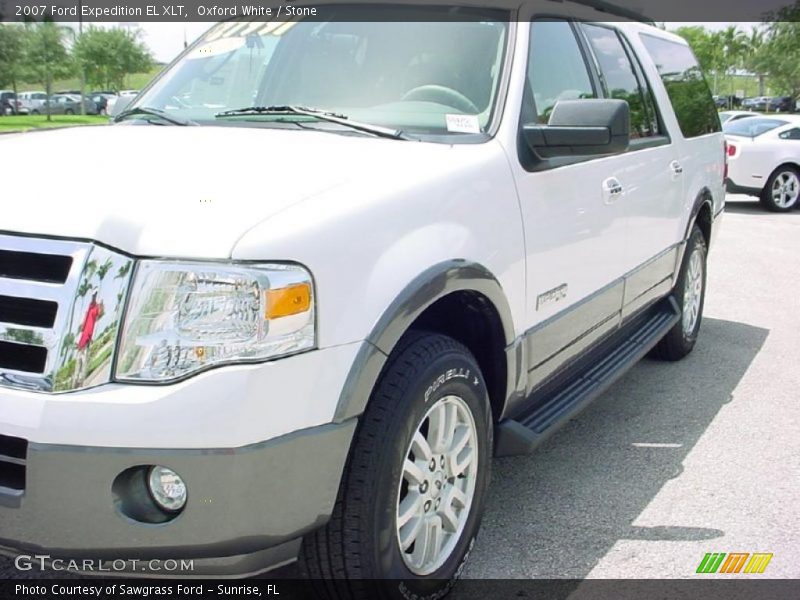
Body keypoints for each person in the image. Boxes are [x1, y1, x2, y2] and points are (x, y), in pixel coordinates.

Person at [74, 291, 104, 386]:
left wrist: (95, 297)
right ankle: (78, 378)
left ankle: (79, 379)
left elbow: (96, 306)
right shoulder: (92, 309)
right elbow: (93, 303)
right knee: (81, 358)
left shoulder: (94, 310)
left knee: (81, 358)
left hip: (86, 335)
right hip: (85, 335)